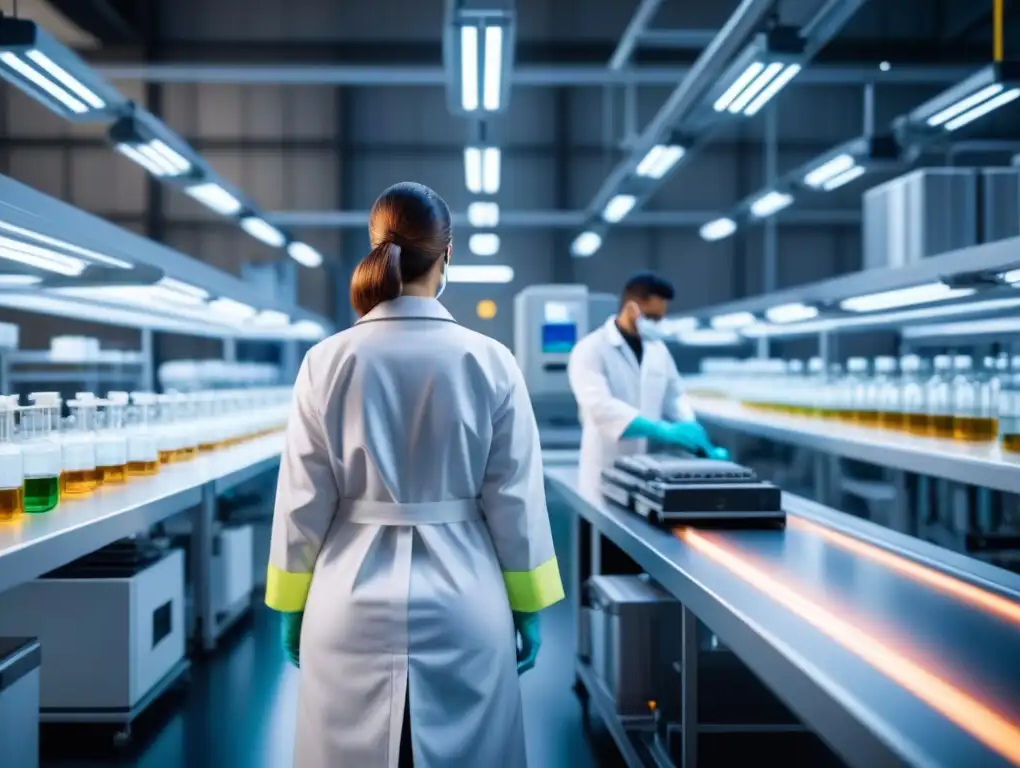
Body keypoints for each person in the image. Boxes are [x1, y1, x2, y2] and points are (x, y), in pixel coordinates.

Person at [265, 181, 564, 768]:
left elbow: (301, 502)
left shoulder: (326, 362)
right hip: (467, 606)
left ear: (377, 250)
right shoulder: (490, 360)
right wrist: (526, 607)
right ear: (446, 256)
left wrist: (290, 606)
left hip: (345, 606)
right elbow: (517, 503)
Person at [567, 271, 726, 497]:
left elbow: (674, 395)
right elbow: (599, 406)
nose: (656, 324)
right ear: (632, 307)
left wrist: (692, 432)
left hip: (645, 469)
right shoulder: (591, 348)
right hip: (604, 470)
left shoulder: (658, 350)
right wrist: (660, 430)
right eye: (651, 317)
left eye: (660, 318)